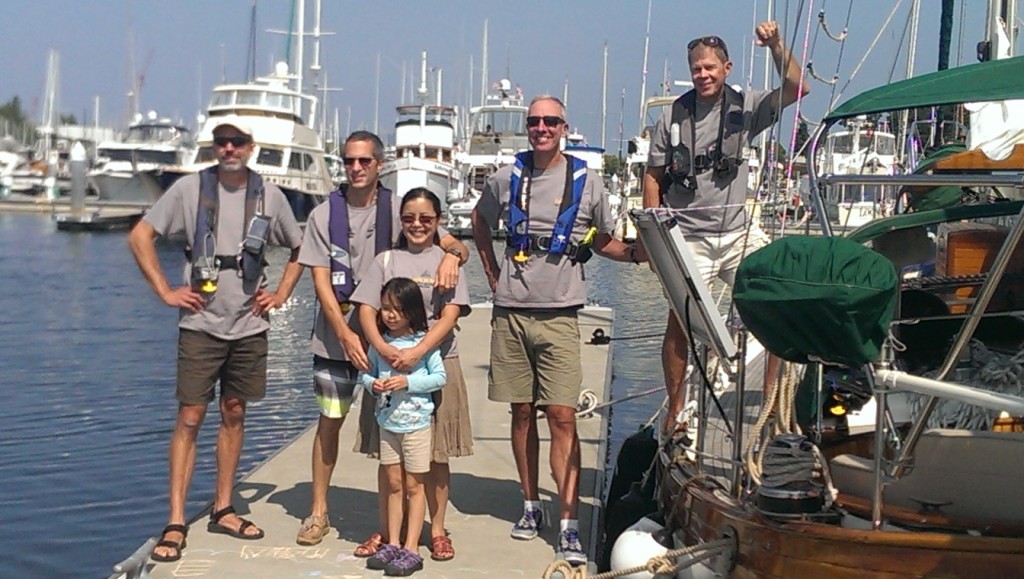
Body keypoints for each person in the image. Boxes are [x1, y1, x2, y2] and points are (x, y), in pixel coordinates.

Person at [470, 95, 645, 566]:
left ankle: (568, 522)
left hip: (562, 314)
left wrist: (636, 255)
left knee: (562, 416)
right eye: (534, 121)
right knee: (521, 412)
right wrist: (490, 273)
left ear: (564, 126)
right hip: (511, 311)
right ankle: (531, 506)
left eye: (550, 121)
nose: (541, 128)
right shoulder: (507, 178)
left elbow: (603, 239)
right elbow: (479, 222)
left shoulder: (590, 182)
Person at [128, 116, 304, 563]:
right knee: (189, 416)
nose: (228, 149)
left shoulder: (269, 194)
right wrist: (166, 290)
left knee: (235, 411)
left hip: (249, 324)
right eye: (221, 143)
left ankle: (224, 506)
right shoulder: (189, 190)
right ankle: (174, 520)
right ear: (215, 148)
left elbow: (302, 247)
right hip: (200, 323)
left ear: (250, 147)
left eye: (236, 143)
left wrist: (281, 292)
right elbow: (141, 235)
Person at [294, 131, 469, 547]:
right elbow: (320, 279)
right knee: (332, 422)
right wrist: (344, 333)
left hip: (393, 346)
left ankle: (415, 528)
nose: (356, 168)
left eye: (364, 162)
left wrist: (452, 253)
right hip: (337, 339)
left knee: (409, 438)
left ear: (379, 164)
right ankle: (319, 512)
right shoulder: (323, 215)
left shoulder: (397, 210)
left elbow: (446, 240)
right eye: (349, 161)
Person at [642, 21, 808, 436]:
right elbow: (652, 176)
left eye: (711, 67)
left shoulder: (747, 107)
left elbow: (796, 88)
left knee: (775, 304)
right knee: (678, 324)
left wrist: (775, 45)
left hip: (737, 233)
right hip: (688, 236)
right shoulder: (672, 118)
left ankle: (770, 404)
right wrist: (652, 232)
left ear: (727, 68)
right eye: (697, 68)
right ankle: (676, 411)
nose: (704, 75)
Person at [351, 187, 472, 563]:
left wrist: (420, 351)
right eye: (409, 218)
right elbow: (366, 310)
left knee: (435, 456)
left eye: (426, 219)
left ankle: (435, 530)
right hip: (387, 366)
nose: (417, 225)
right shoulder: (386, 260)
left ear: (438, 222)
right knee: (389, 460)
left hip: (436, 362)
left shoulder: (446, 260)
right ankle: (389, 532)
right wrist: (382, 349)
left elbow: (450, 313)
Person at [358, 277, 447, 577]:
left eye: (397, 309)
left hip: (417, 424)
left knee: (415, 485)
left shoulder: (422, 345)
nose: (390, 315)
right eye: (385, 308)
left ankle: (412, 547)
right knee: (393, 484)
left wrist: (408, 381)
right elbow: (366, 377)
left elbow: (439, 378)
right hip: (387, 424)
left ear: (411, 311)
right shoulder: (379, 346)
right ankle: (393, 542)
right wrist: (376, 384)